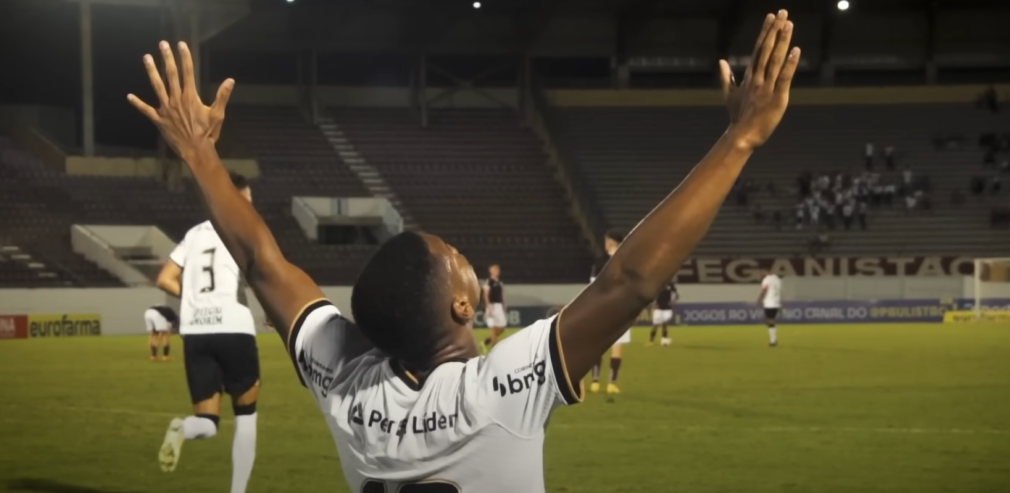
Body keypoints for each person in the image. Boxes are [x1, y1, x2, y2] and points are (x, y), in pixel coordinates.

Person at [128, 13, 798, 489]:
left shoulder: (345, 383)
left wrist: (197, 153)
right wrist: (740, 138)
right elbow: (629, 279)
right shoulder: (500, 389)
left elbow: (263, 262)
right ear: (459, 301)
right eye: (455, 256)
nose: (466, 257)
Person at [152, 172, 259, 493]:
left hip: (196, 331)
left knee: (208, 424)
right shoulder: (244, 229)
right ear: (231, 197)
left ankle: (185, 427)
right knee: (246, 416)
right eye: (247, 198)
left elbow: (164, 278)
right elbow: (263, 274)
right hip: (233, 327)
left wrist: (197, 300)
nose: (251, 205)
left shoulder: (194, 233)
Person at [589, 230, 628, 394]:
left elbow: (592, 288)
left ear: (612, 242)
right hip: (621, 308)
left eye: (607, 241)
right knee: (617, 345)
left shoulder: (599, 262)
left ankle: (595, 382)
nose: (605, 244)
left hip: (602, 308)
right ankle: (612, 383)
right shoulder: (628, 262)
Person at [480, 263, 506, 353]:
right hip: (491, 306)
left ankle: (486, 342)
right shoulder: (489, 282)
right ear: (491, 271)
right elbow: (486, 295)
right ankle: (494, 349)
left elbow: (501, 294)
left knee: (501, 327)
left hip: (498, 306)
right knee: (492, 328)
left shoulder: (500, 282)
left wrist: (504, 304)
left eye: (498, 270)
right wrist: (488, 306)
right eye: (495, 269)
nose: (497, 271)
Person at [755, 268, 782, 347]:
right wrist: (780, 303)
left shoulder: (767, 280)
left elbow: (764, 290)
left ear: (765, 271)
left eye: (762, 272)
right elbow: (779, 291)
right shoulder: (777, 279)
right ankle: (774, 336)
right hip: (776, 302)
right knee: (770, 320)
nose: (761, 274)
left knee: (769, 321)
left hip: (769, 303)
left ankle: (773, 341)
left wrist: (759, 299)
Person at [648, 283, 678, 347]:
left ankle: (664, 341)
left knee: (664, 324)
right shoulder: (658, 284)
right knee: (655, 325)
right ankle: (651, 340)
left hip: (667, 309)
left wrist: (674, 301)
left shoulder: (670, 284)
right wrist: (653, 304)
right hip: (658, 309)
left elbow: (677, 294)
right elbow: (652, 294)